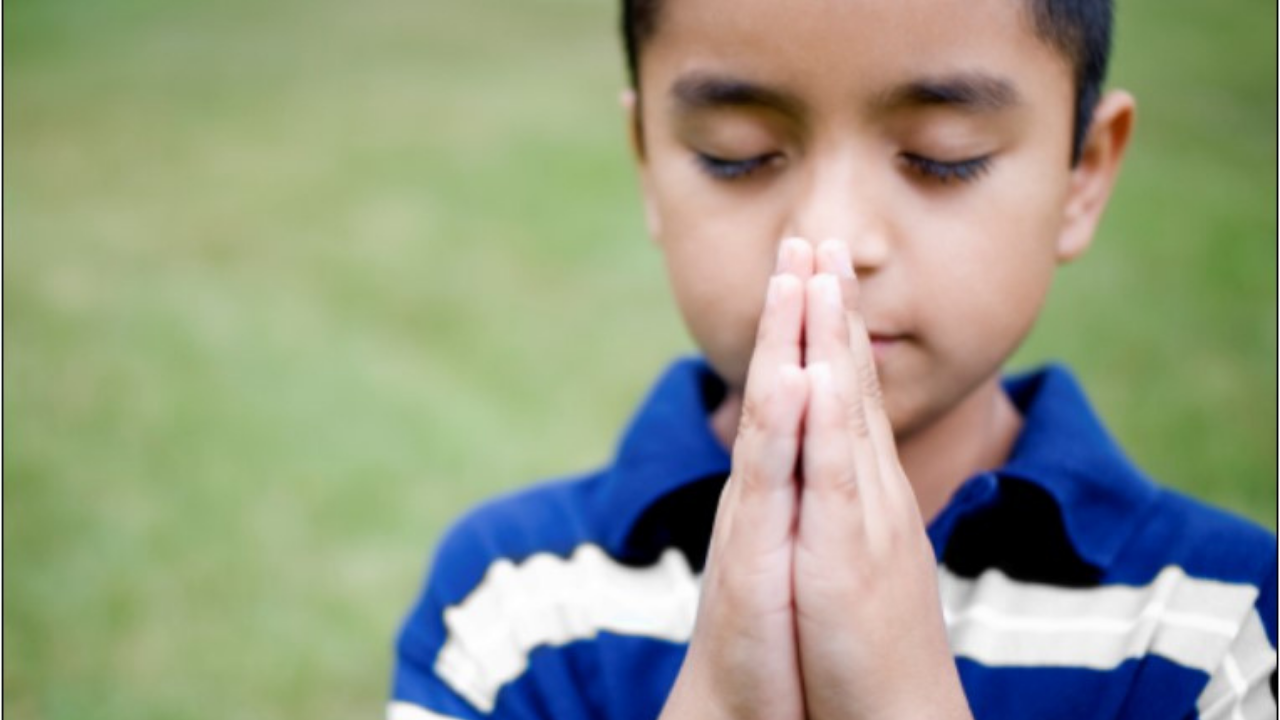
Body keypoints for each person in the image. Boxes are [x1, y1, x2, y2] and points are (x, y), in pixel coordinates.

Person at [388, 0, 1278, 717]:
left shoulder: (1218, 631)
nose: (829, 239)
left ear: (1082, 175)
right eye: (736, 157)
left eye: (942, 159)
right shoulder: (517, 608)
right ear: (648, 161)